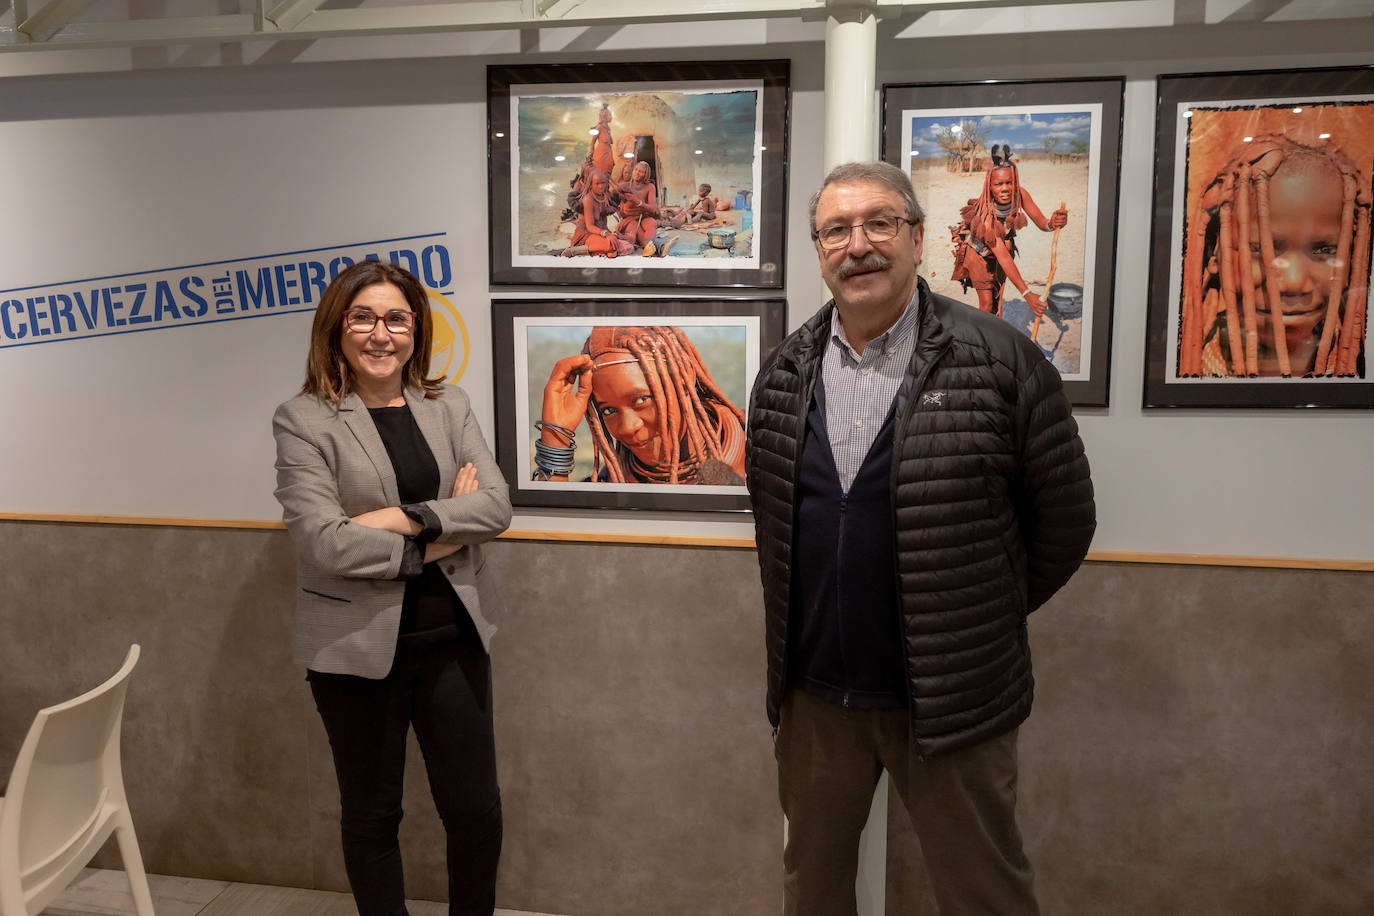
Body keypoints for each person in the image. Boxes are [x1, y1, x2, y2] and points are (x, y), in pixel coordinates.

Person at [745, 161, 1095, 916]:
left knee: (986, 893)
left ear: (917, 237)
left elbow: (1065, 524)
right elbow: (772, 521)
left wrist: (977, 615)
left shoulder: (1000, 360)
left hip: (950, 699)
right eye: (836, 230)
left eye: (879, 224)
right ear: (818, 247)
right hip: (815, 703)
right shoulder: (782, 373)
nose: (858, 245)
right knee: (812, 892)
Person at [272, 260, 512, 916]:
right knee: (374, 815)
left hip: (453, 641)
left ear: (416, 329)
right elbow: (324, 542)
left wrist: (401, 517)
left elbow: (495, 507)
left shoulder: (448, 405)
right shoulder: (304, 419)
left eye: (397, 318)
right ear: (336, 328)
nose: (382, 334)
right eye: (364, 317)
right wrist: (444, 532)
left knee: (475, 812)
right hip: (354, 651)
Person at [1180, 133, 1369, 378]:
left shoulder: (1361, 366)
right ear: (1213, 254)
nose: (1293, 282)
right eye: (1258, 248)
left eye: (1325, 250)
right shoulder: (1188, 368)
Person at [536, 325, 746, 484]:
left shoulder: (760, 451)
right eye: (608, 410)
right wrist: (555, 441)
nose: (627, 428)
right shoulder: (607, 485)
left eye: (642, 399)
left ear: (683, 382)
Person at [950, 144, 1069, 318]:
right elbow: (1002, 255)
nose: (1005, 188)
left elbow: (1043, 223)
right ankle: (981, 341)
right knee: (986, 304)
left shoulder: (1020, 194)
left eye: (1009, 183)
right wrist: (1027, 294)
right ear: (990, 186)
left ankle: (996, 337)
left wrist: (1054, 222)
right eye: (999, 184)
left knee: (997, 305)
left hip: (1002, 251)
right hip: (979, 255)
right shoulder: (985, 213)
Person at [564, 168, 631, 257]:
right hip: (587, 235)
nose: (600, 186)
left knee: (626, 247)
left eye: (603, 183)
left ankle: (598, 250)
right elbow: (589, 226)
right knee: (612, 246)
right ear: (591, 184)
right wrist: (606, 234)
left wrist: (611, 234)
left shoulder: (605, 196)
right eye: (597, 183)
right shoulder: (588, 199)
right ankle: (574, 251)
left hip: (601, 233)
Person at [613, 160, 661, 251]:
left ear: (646, 174)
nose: (637, 173)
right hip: (629, 220)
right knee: (637, 231)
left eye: (641, 171)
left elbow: (653, 208)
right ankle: (655, 248)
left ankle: (651, 248)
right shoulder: (624, 187)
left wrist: (638, 202)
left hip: (644, 217)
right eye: (636, 169)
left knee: (651, 223)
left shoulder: (650, 187)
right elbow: (612, 203)